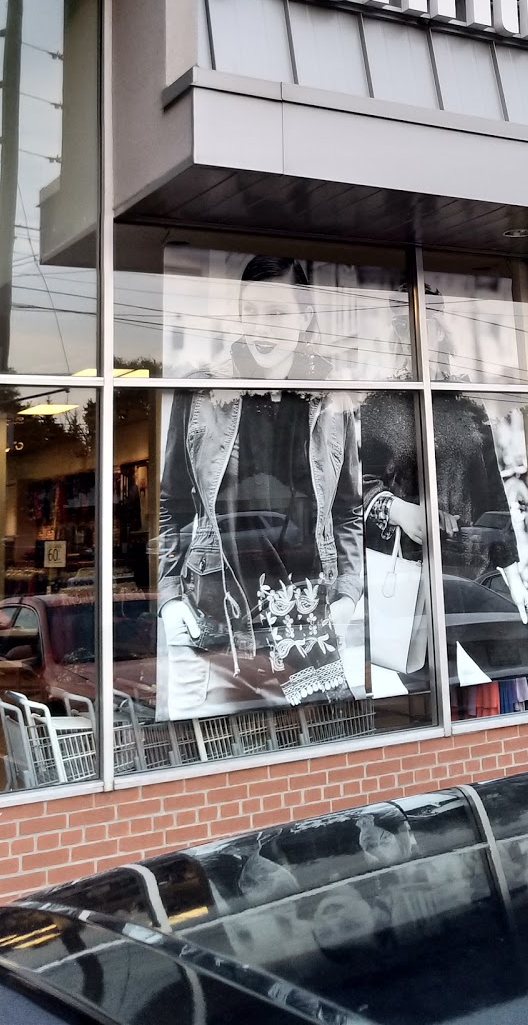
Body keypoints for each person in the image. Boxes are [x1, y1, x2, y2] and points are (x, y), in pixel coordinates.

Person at [158, 256, 364, 718]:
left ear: (305, 316)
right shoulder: (202, 392)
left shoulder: (334, 396)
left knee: (320, 746)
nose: (261, 327)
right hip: (214, 624)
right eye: (250, 312)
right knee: (208, 754)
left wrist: (349, 594)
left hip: (309, 624)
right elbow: (172, 504)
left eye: (276, 313)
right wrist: (170, 598)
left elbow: (348, 508)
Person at [362, 291, 528, 701]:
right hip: (416, 573)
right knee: (434, 693)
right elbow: (358, 484)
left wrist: (510, 570)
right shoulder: (379, 404)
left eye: (426, 318)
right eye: (402, 322)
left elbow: (491, 493)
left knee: (524, 665)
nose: (414, 329)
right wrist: (397, 509)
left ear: (440, 326)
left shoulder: (466, 403)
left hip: (474, 567)